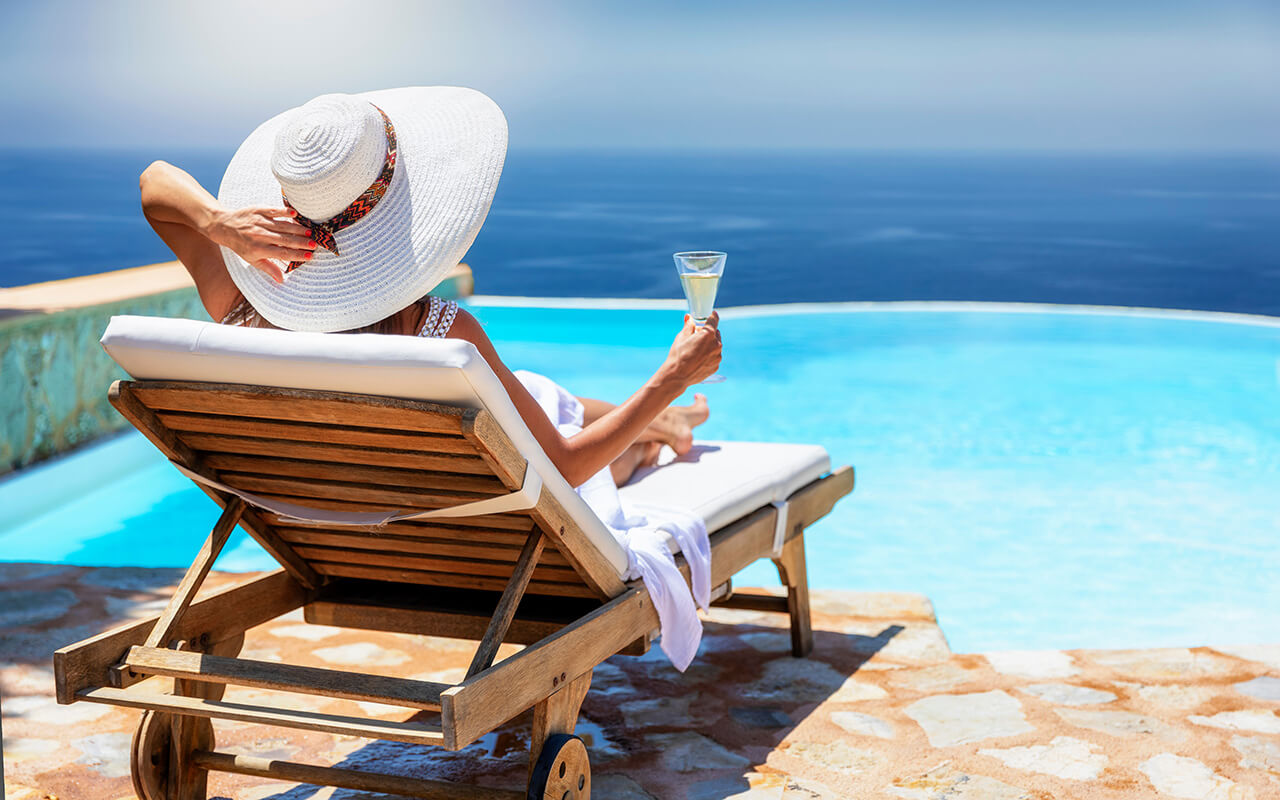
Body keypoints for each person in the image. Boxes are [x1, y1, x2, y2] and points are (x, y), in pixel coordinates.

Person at [137, 88, 720, 491]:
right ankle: (660, 430)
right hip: (478, 522)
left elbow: (154, 186)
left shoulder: (239, 315)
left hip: (320, 521)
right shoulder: (437, 333)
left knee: (536, 393)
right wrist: (670, 380)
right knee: (602, 441)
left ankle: (662, 422)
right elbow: (565, 468)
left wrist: (219, 222)